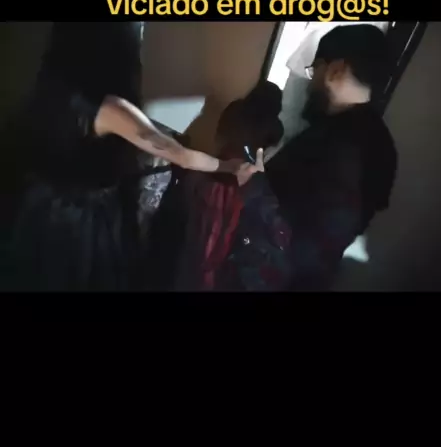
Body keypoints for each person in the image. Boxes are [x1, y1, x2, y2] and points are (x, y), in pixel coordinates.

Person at [1, 23, 261, 292]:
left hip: (41, 207)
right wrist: (228, 166)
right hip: (81, 221)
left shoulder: (49, 88)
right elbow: (179, 154)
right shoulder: (110, 107)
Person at [265, 25, 398, 292]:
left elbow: (291, 220)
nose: (310, 82)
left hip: (275, 276)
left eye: (314, 70)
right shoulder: (382, 144)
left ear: (336, 69)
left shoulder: (332, 142)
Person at [148, 81, 292, 294]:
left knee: (195, 243)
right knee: (218, 246)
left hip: (213, 175)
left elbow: (220, 142)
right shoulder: (275, 130)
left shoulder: (235, 111)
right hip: (240, 183)